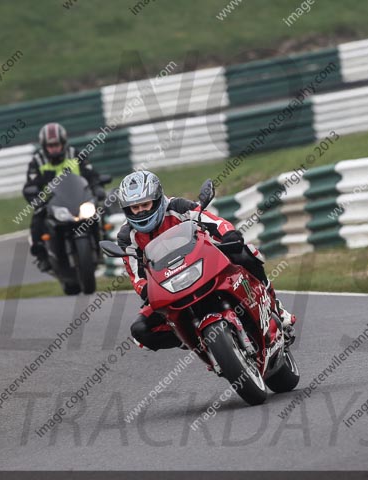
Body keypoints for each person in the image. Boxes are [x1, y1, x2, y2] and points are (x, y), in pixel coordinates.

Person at [115, 170, 295, 351]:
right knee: (140, 331)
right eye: (135, 208)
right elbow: (136, 275)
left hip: (204, 262)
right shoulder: (126, 236)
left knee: (244, 252)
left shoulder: (177, 207)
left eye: (145, 205)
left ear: (157, 199)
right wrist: (146, 289)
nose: (140, 212)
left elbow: (214, 221)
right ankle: (191, 339)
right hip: (167, 282)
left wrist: (229, 234)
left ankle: (275, 306)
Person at [23, 122, 105, 272]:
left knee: (101, 210)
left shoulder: (76, 154)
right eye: (50, 146)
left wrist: (97, 187)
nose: (54, 149)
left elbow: (91, 175)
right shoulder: (37, 161)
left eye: (56, 145)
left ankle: (105, 243)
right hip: (52, 203)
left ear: (63, 143)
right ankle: (42, 255)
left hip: (79, 199)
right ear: (44, 146)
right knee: (37, 219)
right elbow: (30, 186)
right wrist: (37, 199)